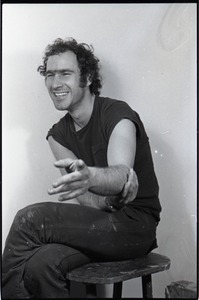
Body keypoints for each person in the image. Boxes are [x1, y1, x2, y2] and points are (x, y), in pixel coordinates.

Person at [2, 37, 161, 299]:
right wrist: (107, 201)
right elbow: (87, 200)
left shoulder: (117, 114)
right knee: (42, 264)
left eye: (65, 73)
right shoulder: (57, 135)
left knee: (29, 219)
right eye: (50, 75)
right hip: (101, 225)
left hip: (137, 227)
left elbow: (123, 174)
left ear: (86, 78)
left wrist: (91, 176)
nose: (55, 83)